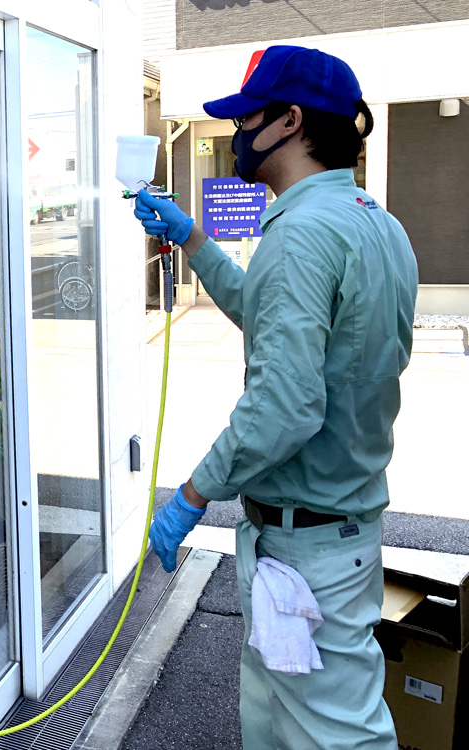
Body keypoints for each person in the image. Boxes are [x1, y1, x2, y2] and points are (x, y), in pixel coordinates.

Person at [134, 46, 418, 749]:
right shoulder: (376, 225)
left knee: (334, 737)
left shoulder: (300, 238)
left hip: (308, 552)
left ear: (289, 121)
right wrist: (193, 238)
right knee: (279, 722)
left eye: (246, 116)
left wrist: (191, 496)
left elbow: (283, 407)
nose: (237, 133)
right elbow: (282, 324)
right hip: (330, 536)